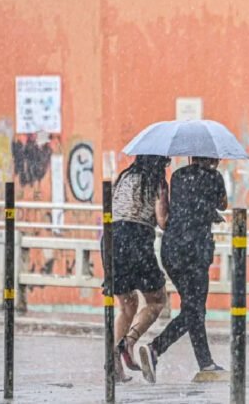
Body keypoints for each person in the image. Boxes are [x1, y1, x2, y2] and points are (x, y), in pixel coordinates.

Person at [139, 156, 228, 383]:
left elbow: (173, 209)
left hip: (172, 249)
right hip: (194, 251)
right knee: (195, 309)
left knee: (193, 308)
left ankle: (206, 363)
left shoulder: (177, 175)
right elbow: (223, 203)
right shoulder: (214, 177)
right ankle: (156, 348)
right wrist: (211, 208)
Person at [107, 155, 171, 382]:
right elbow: (162, 220)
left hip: (111, 240)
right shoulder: (157, 181)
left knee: (127, 305)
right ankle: (129, 342)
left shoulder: (124, 177)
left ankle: (114, 361)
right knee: (157, 300)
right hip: (137, 240)